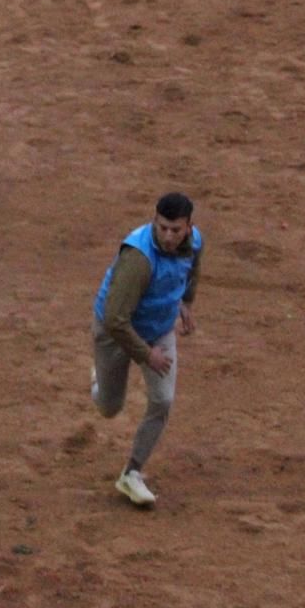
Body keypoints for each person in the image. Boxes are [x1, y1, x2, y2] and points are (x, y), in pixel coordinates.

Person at [89, 191, 204, 508]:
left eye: (175, 230)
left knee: (162, 399)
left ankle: (132, 473)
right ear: (154, 221)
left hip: (160, 327)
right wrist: (146, 355)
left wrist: (186, 304)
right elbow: (115, 319)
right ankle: (100, 378)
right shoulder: (138, 259)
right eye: (162, 227)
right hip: (116, 332)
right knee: (109, 407)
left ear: (188, 228)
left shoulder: (194, 242)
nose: (168, 236)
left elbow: (192, 269)